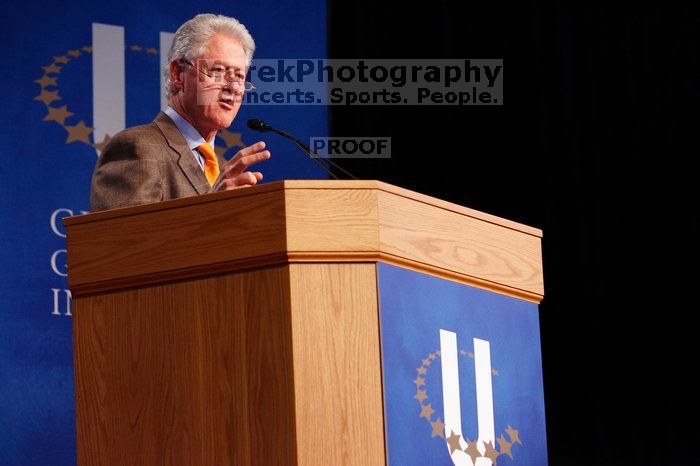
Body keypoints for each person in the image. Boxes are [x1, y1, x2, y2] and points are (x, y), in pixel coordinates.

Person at [90, 14, 270, 212]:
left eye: (239, 76)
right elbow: (125, 241)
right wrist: (212, 211)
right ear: (178, 74)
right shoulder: (137, 148)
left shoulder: (223, 169)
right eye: (218, 71)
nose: (234, 87)